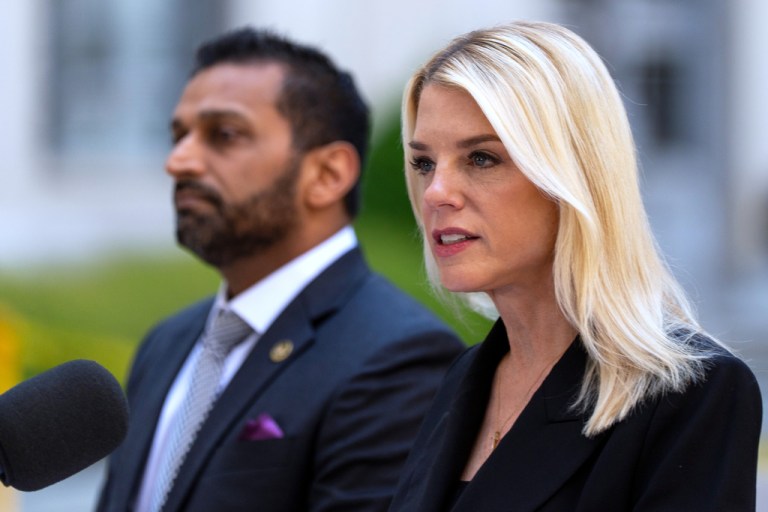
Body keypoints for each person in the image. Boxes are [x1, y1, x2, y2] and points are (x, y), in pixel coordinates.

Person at [387, 21, 762, 512]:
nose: (436, 192)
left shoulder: (689, 394)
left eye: (480, 158)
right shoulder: (464, 379)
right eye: (424, 163)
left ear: (573, 174)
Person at [95, 27, 464, 512]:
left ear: (327, 174)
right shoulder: (167, 342)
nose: (179, 161)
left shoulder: (397, 357)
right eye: (178, 136)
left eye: (224, 135)